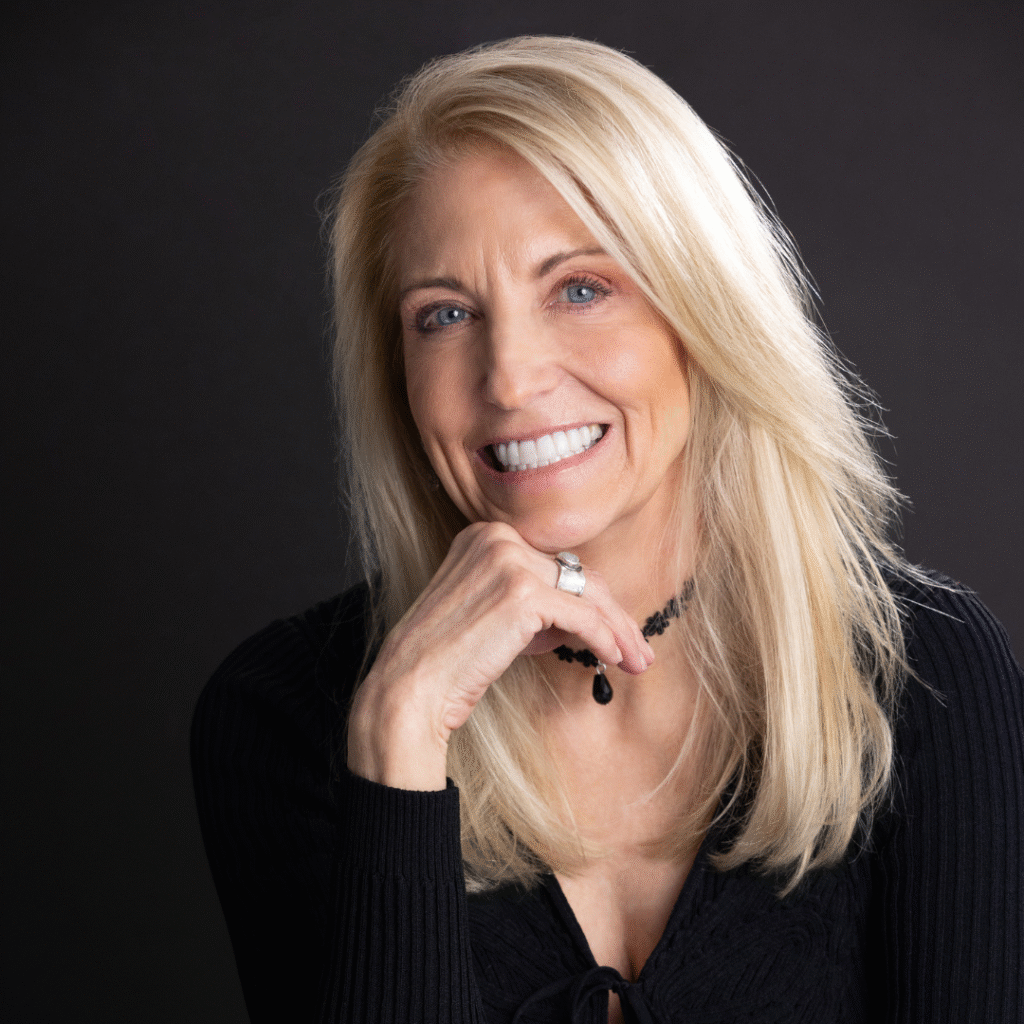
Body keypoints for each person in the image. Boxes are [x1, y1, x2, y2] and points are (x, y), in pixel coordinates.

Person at [191, 36, 1023, 1024]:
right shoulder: (286, 717)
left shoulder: (921, 674)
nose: (507, 378)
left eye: (580, 289)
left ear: (703, 314)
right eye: (444, 314)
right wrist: (399, 747)